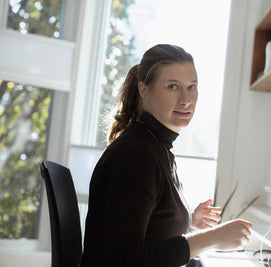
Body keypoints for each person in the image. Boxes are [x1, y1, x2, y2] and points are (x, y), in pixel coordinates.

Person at [80, 44, 252, 267]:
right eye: (172, 87)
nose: (185, 99)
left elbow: (144, 223)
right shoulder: (136, 155)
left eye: (192, 87)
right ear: (144, 89)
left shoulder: (153, 146)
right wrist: (213, 238)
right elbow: (125, 257)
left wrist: (187, 219)